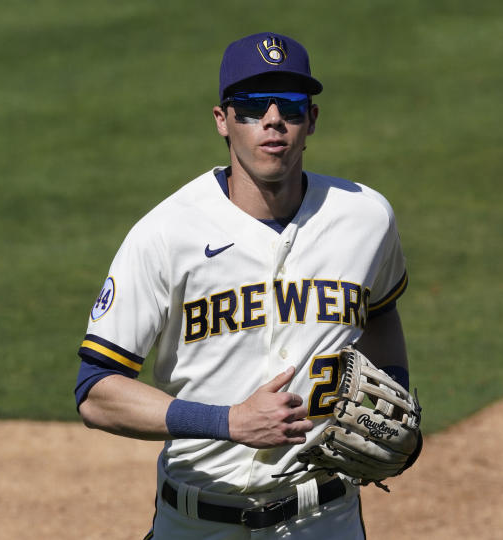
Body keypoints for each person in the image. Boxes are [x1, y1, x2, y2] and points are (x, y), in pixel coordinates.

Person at [75, 32, 413, 539]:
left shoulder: (365, 217)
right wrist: (228, 422)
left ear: (311, 121)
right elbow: (96, 391)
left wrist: (395, 395)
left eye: (292, 107)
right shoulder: (166, 234)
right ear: (223, 121)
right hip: (195, 519)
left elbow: (381, 309)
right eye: (253, 106)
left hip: (324, 519)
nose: (273, 120)